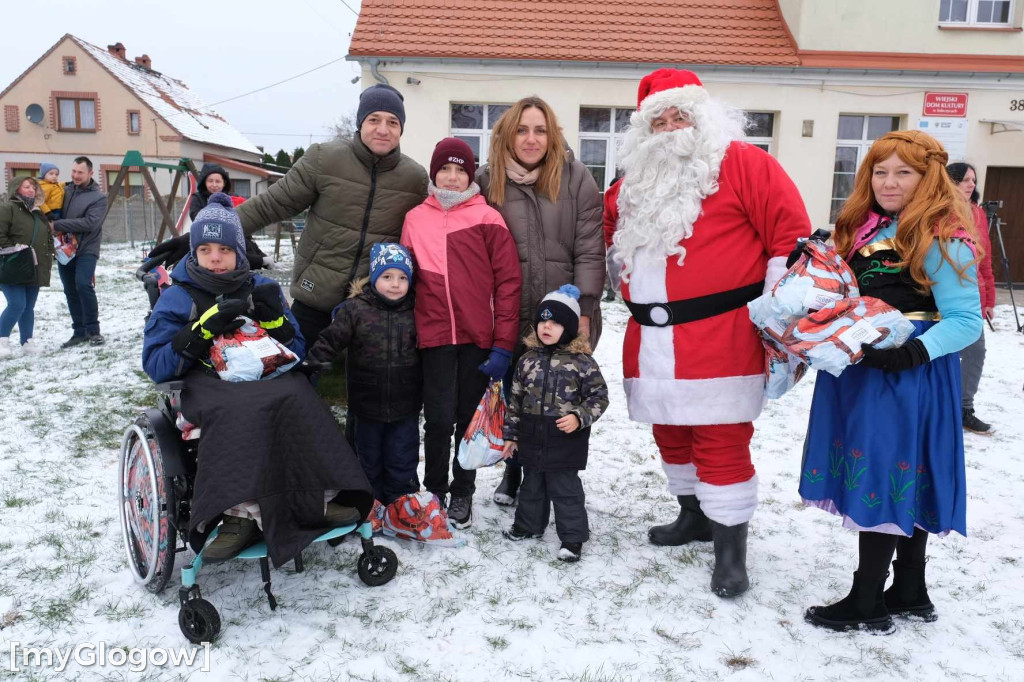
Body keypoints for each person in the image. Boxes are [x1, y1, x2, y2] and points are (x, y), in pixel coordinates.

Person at [603, 69, 812, 598]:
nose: (671, 128)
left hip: (722, 334)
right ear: (643, 132)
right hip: (649, 340)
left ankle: (730, 553)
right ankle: (693, 516)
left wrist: (778, 319)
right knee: (670, 434)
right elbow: (611, 243)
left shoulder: (745, 165)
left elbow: (789, 239)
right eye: (660, 120)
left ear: (704, 118)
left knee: (720, 439)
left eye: (681, 115)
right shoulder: (629, 187)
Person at [800, 130, 982, 632]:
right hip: (865, 369)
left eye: (903, 171)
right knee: (905, 471)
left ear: (929, 178)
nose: (889, 181)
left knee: (890, 473)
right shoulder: (861, 228)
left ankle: (866, 602)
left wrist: (912, 353)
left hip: (910, 376)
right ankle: (909, 589)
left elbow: (966, 320)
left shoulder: (945, 236)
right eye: (880, 171)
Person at [142, 193, 371, 565]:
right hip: (205, 380)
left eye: (224, 249)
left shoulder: (259, 286)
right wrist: (201, 331)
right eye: (205, 249)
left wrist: (274, 317)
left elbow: (296, 346)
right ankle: (237, 516)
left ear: (239, 252)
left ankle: (319, 500)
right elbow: (155, 363)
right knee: (239, 410)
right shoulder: (179, 297)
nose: (215, 257)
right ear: (195, 253)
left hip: (265, 370)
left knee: (299, 397)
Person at [148, 84, 429, 347]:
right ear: (360, 123)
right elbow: (271, 204)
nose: (383, 129)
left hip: (373, 295)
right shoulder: (325, 159)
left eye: (392, 122)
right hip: (317, 288)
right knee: (298, 367)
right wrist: (203, 235)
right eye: (374, 120)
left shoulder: (414, 178)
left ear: (401, 129)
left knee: (366, 377)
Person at [476, 96, 605, 508]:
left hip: (563, 314)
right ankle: (514, 472)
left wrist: (584, 309)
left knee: (559, 399)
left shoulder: (576, 178)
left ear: (552, 135)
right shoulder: (486, 180)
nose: (531, 139)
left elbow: (589, 248)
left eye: (540, 130)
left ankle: (556, 477)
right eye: (522, 129)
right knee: (520, 396)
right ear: (507, 134)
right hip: (508, 313)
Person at [400, 137, 522, 528]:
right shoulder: (415, 218)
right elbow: (404, 280)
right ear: (434, 173)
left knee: (468, 420)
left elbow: (508, 284)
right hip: (433, 337)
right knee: (437, 420)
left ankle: (463, 493)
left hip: (477, 339)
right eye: (445, 170)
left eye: (461, 171)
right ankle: (434, 491)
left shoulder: (488, 218)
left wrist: (503, 344)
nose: (452, 178)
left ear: (471, 176)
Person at [305, 243, 422, 507]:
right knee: (367, 458)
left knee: (402, 456)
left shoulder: (416, 310)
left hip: (406, 404)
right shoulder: (355, 310)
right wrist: (310, 367)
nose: (395, 284)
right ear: (374, 277)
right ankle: (368, 504)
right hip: (366, 403)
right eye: (387, 276)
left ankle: (399, 504)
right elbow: (330, 340)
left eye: (403, 277)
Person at [501, 285, 608, 562]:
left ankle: (572, 538)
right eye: (542, 321)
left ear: (570, 328)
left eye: (555, 322)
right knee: (532, 484)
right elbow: (514, 401)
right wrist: (511, 436)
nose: (546, 327)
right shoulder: (526, 361)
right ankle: (528, 525)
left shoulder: (582, 363)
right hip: (532, 434)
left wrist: (578, 417)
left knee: (565, 489)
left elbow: (599, 396)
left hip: (565, 436)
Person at [946, 162, 996, 435]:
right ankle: (937, 406)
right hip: (942, 296)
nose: (971, 185)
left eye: (973, 180)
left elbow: (984, 259)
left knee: (976, 352)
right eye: (965, 179)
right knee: (944, 353)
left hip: (971, 297)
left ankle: (964, 408)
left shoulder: (977, 213)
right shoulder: (939, 211)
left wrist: (988, 299)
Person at [52, 156, 107, 347]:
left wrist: (57, 224)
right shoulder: (63, 190)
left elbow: (90, 223)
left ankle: (93, 331)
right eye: (74, 171)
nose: (75, 175)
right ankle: (79, 331)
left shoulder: (99, 197)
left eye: (80, 172)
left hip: (87, 248)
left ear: (90, 173)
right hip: (64, 249)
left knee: (83, 285)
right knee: (69, 289)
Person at [0, 177, 54, 357]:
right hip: (11, 265)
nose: (31, 190)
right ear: (16, 190)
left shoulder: (37, 212)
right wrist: (14, 251)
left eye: (33, 187)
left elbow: (46, 237)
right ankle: (2, 340)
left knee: (28, 306)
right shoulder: (7, 208)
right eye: (26, 186)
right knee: (17, 304)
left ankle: (27, 342)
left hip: (34, 266)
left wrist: (51, 253)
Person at [189, 163, 273, 270]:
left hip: (232, 233)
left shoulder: (230, 199)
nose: (214, 184)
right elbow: (195, 216)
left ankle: (262, 261)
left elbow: (239, 221)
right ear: (204, 182)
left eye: (218, 181)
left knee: (247, 242)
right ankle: (259, 262)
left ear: (224, 183)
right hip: (209, 235)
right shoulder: (198, 198)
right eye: (210, 181)